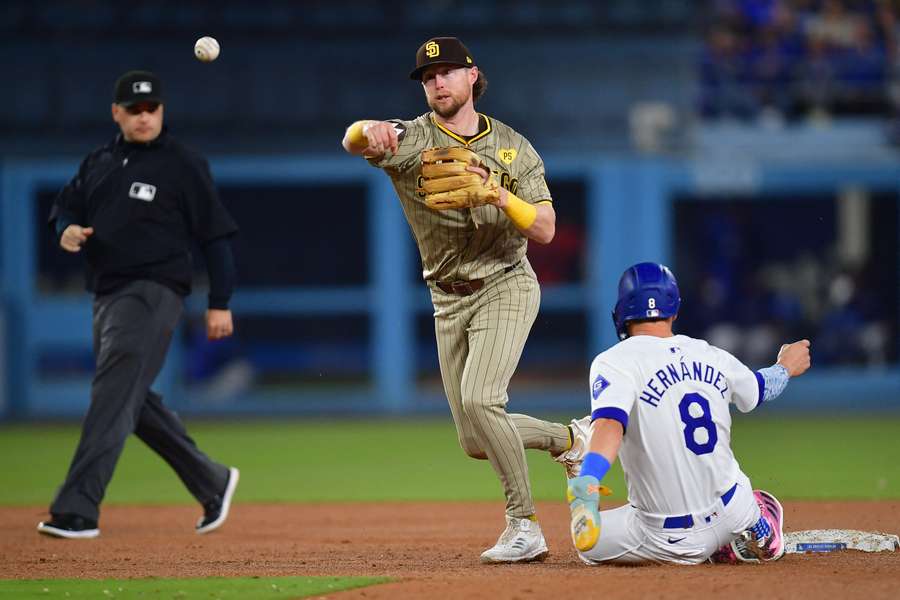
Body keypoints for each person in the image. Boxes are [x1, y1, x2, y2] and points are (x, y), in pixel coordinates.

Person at [341, 37, 589, 563]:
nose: (437, 82)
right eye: (428, 76)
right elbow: (353, 140)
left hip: (505, 281)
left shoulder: (514, 148)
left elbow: (544, 228)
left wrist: (499, 194)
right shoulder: (411, 140)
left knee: (482, 401)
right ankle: (569, 440)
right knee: (476, 440)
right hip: (446, 298)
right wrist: (369, 130)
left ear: (473, 76)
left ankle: (524, 526)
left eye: (448, 72)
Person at [38, 70, 240, 539]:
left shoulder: (182, 164)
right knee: (130, 400)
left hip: (154, 292)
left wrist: (220, 302)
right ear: (117, 113)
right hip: (106, 294)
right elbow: (63, 209)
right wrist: (64, 228)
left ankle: (77, 510)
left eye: (152, 108)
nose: (145, 116)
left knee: (112, 396)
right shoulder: (99, 162)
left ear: (162, 111)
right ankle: (212, 480)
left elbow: (216, 237)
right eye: (135, 109)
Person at [566, 262, 811, 565]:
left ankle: (727, 539)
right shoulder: (710, 353)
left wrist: (589, 477)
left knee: (587, 546)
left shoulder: (613, 362)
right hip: (734, 510)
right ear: (674, 309)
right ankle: (758, 525)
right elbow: (760, 390)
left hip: (669, 540)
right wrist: (785, 367)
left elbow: (609, 423)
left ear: (621, 312)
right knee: (736, 493)